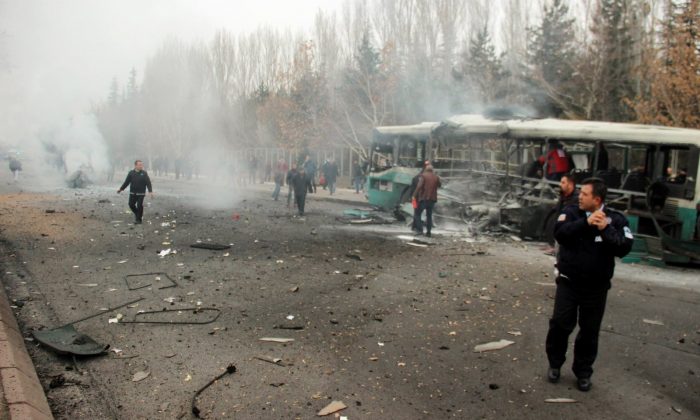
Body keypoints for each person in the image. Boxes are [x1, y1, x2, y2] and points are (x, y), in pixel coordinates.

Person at [546, 178, 633, 392]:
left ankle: (583, 372)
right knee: (560, 324)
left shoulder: (615, 219)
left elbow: (624, 248)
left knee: (589, 331)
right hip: (569, 283)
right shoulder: (571, 212)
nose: (579, 197)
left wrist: (605, 229)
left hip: (596, 287)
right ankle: (555, 364)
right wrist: (586, 223)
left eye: (584, 194)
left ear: (597, 199)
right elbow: (560, 234)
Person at [544, 174, 579, 255]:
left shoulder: (576, 198)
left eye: (563, 182)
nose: (560, 184)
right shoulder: (563, 195)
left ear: (570, 184)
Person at [118, 160, 154, 224]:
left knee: (139, 205)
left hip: (141, 193)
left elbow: (148, 182)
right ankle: (138, 214)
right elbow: (126, 182)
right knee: (131, 204)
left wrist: (150, 191)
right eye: (139, 165)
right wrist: (121, 189)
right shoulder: (131, 173)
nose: (141, 166)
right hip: (133, 192)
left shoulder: (144, 173)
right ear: (135, 165)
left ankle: (138, 220)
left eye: (141, 165)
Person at [412, 164, 441, 237]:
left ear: (426, 169)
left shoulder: (423, 176)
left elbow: (419, 186)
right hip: (432, 199)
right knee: (429, 216)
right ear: (432, 170)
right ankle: (428, 232)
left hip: (424, 198)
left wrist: (414, 195)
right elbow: (439, 185)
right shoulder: (436, 177)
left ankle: (420, 230)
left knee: (417, 214)